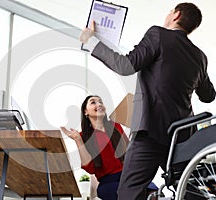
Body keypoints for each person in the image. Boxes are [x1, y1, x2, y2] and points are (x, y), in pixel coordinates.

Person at [79, 2, 216, 200]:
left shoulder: (158, 35)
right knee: (189, 191)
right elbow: (208, 96)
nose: (168, 14)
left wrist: (91, 41)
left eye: (170, 11)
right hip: (182, 137)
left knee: (128, 193)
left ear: (176, 15)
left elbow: (126, 66)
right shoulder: (200, 57)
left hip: (150, 131)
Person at [61, 95, 128, 200]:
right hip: (109, 183)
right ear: (85, 112)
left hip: (129, 177)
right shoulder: (83, 136)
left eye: (101, 102)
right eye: (93, 102)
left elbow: (131, 152)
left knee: (152, 191)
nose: (99, 104)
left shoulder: (116, 126)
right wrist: (78, 140)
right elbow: (89, 168)